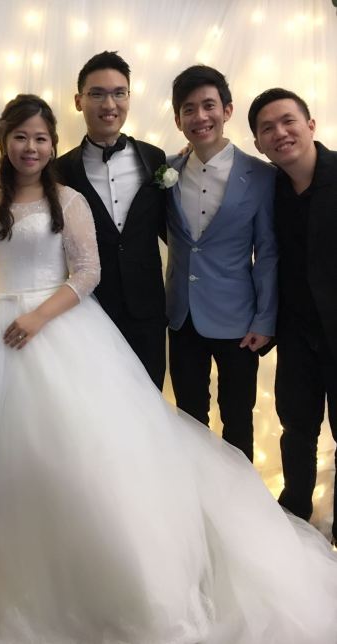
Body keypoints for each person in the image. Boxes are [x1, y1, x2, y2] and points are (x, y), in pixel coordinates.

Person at [0, 93, 337, 644]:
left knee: (191, 435)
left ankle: (240, 527)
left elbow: (92, 267)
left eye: (40, 137)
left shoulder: (148, 167)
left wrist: (264, 316)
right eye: (20, 136)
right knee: (27, 455)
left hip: (105, 323)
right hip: (15, 330)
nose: (31, 146)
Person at [166, 65, 278, 461]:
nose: (200, 117)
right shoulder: (167, 171)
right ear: (178, 120)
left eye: (208, 105)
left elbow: (267, 252)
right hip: (181, 316)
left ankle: (239, 495)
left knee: (237, 420)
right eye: (189, 109)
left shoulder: (261, 176)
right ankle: (196, 491)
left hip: (239, 321)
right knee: (188, 418)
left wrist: (265, 319)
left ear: (227, 110)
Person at [248, 88, 337, 544]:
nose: (280, 133)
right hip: (297, 332)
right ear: (259, 144)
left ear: (311, 125)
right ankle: (296, 518)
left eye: (288, 121)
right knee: (296, 428)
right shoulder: (269, 186)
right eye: (267, 129)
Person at [56, 51, 167, 388]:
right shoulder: (60, 170)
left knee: (150, 401)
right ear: (79, 101)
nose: (109, 104)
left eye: (119, 93)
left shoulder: (155, 158)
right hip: (90, 311)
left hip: (148, 311)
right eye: (97, 94)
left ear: (129, 98)